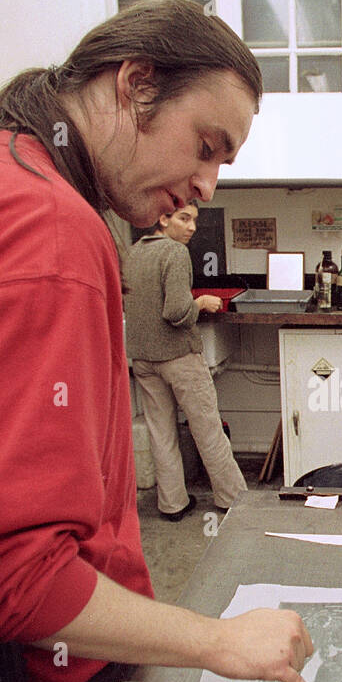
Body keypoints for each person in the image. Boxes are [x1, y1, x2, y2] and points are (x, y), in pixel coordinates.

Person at [0, 0, 318, 682]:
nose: (207, 185)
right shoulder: (45, 225)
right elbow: (15, 580)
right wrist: (217, 641)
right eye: (206, 146)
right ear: (134, 85)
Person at [122, 202, 248, 520]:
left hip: (143, 359)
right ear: (162, 219)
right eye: (183, 218)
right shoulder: (175, 252)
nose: (191, 227)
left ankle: (172, 504)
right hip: (178, 356)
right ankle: (233, 500)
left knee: (161, 432)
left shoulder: (133, 252)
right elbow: (176, 312)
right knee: (207, 429)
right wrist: (201, 302)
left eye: (194, 220)